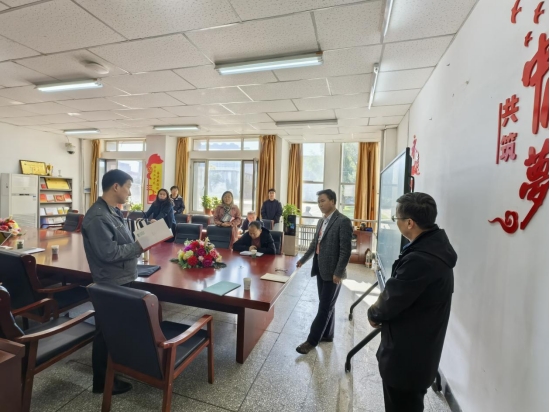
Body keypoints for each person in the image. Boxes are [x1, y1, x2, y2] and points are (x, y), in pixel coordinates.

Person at [368, 193, 457, 412]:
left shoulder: (421, 259)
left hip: (406, 361)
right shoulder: (435, 247)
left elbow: (392, 299)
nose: (395, 222)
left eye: (396, 218)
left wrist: (373, 313)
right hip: (420, 352)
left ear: (410, 223)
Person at [82, 169, 142, 396]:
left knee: (115, 329)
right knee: (106, 331)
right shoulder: (98, 217)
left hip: (121, 277)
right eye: (128, 187)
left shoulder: (113, 211)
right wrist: (139, 247)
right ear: (116, 187)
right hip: (111, 281)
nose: (129, 192)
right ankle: (102, 381)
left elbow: (121, 241)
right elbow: (109, 253)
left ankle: (113, 371)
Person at [295, 189, 353, 355]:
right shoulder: (321, 221)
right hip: (320, 269)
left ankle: (311, 341)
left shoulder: (343, 221)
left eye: (323, 201)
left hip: (334, 273)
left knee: (324, 307)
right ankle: (328, 334)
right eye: (318, 201)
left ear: (332, 201)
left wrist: (338, 272)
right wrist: (302, 260)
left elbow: (345, 251)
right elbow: (315, 245)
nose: (320, 204)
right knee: (327, 304)